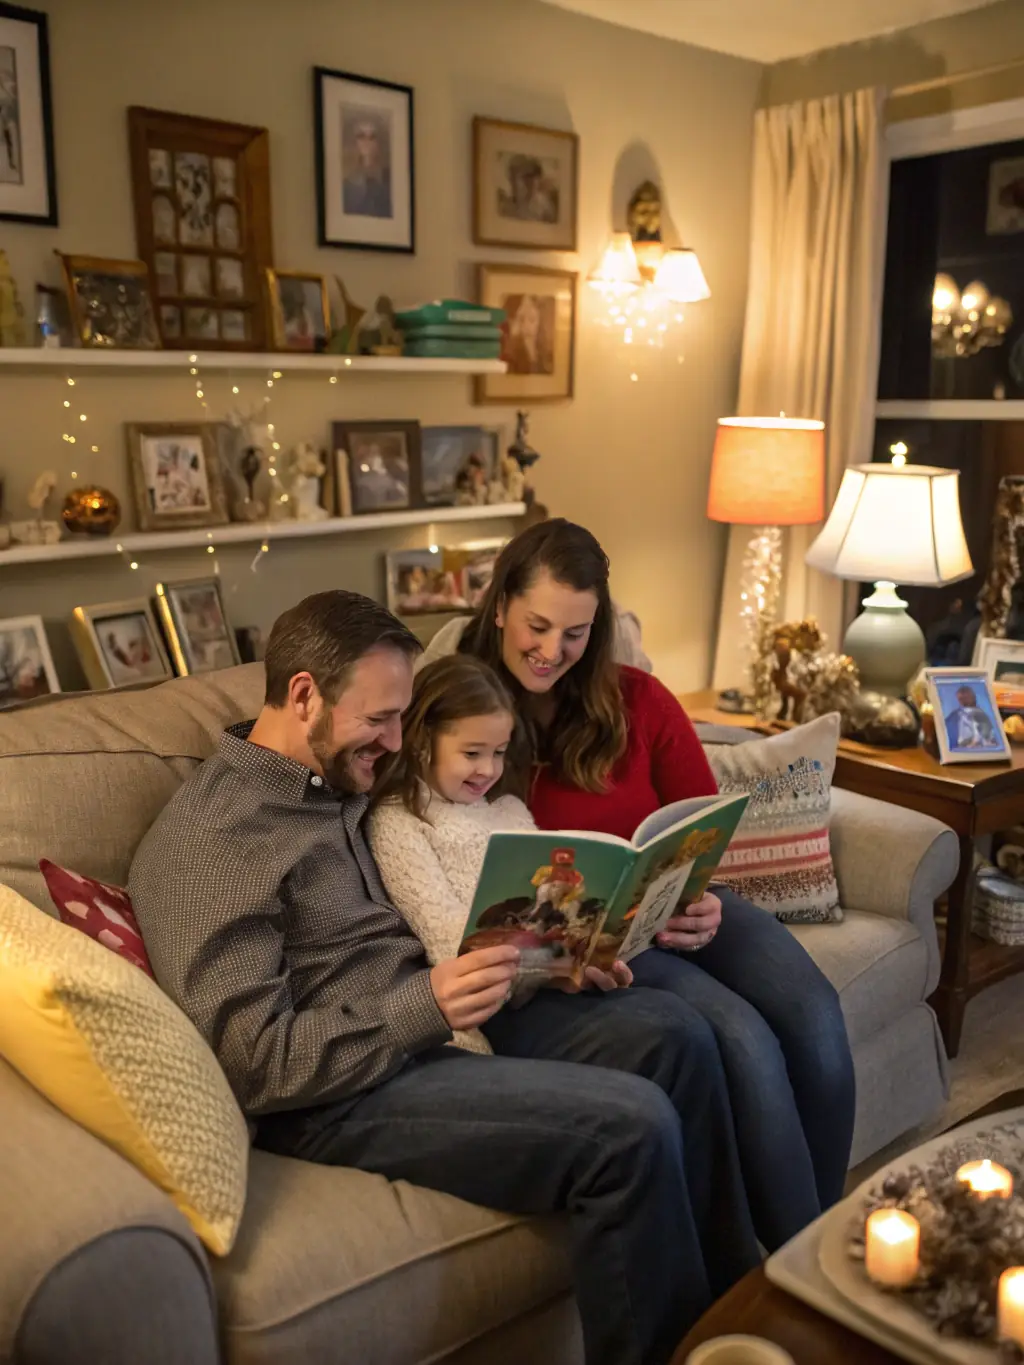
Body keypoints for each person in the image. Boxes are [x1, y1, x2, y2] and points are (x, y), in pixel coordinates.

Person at [128, 589, 761, 1365]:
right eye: (382, 718)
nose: (398, 741)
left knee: (679, 1043)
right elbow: (252, 1061)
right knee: (629, 1126)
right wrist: (421, 1005)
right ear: (303, 696)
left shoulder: (332, 778)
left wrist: (561, 940)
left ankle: (739, 1325)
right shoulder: (215, 842)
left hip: (436, 1018)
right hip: (342, 1091)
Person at [424, 518, 858, 1251]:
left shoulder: (637, 698)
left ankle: (821, 1237)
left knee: (813, 1016)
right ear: (499, 606)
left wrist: (700, 892)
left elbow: (703, 817)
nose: (552, 650)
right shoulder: (470, 717)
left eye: (575, 633)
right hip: (606, 939)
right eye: (538, 625)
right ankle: (786, 1269)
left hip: (683, 909)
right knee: (742, 1039)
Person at [944, 683, 999, 749]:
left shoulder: (979, 715)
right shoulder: (956, 715)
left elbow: (986, 738)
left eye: (965, 698)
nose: (961, 700)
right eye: (961, 698)